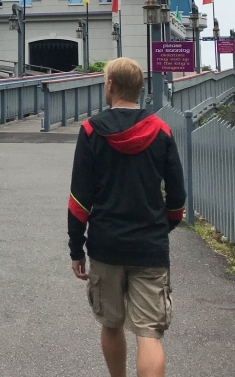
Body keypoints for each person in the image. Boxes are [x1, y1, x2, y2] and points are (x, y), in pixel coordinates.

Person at [68, 57, 186, 377]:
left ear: (109, 86)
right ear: (139, 89)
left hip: (106, 246)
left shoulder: (91, 131)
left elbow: (79, 199)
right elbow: (177, 197)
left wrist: (77, 250)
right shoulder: (161, 130)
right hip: (150, 246)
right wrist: (164, 226)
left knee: (111, 324)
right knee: (148, 334)